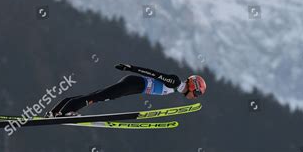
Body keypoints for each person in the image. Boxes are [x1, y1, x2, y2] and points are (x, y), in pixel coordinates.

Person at [46, 63, 207, 117]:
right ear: (193, 86)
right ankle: (65, 112)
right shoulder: (175, 82)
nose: (196, 97)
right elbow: (153, 73)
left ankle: (57, 111)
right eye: (198, 93)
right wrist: (130, 68)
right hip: (133, 84)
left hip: (134, 87)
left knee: (97, 95)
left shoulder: (176, 88)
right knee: (98, 97)